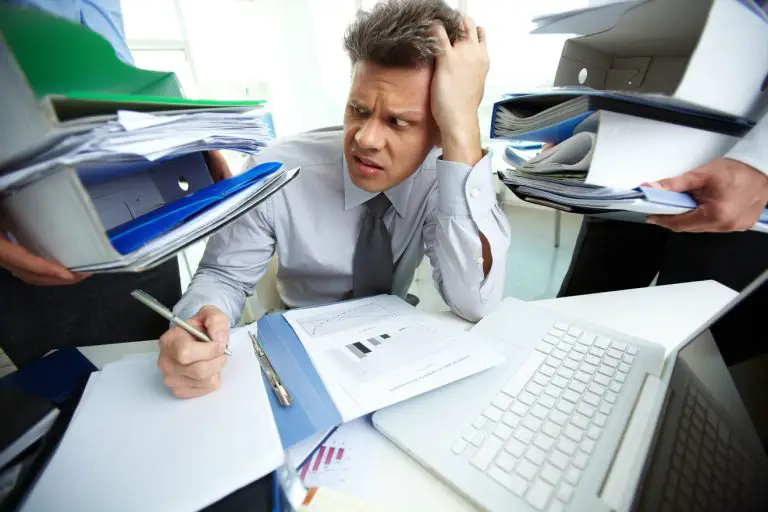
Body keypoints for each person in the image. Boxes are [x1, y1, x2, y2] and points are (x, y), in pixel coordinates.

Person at [156, 0, 512, 399]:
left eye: (398, 121)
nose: (365, 139)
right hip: (293, 350)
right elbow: (222, 277)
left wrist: (463, 128)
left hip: (394, 351)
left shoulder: (442, 176)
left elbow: (474, 303)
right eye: (358, 110)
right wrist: (197, 324)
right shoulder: (275, 170)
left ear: (438, 128)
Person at [0, 0, 231, 366]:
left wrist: (183, 136)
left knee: (167, 367)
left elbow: (108, 59)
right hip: (30, 231)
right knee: (74, 393)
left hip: (142, 203)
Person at [559, 94, 768, 366]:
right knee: (577, 322)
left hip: (741, 182)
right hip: (634, 162)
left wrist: (760, 160)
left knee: (691, 352)